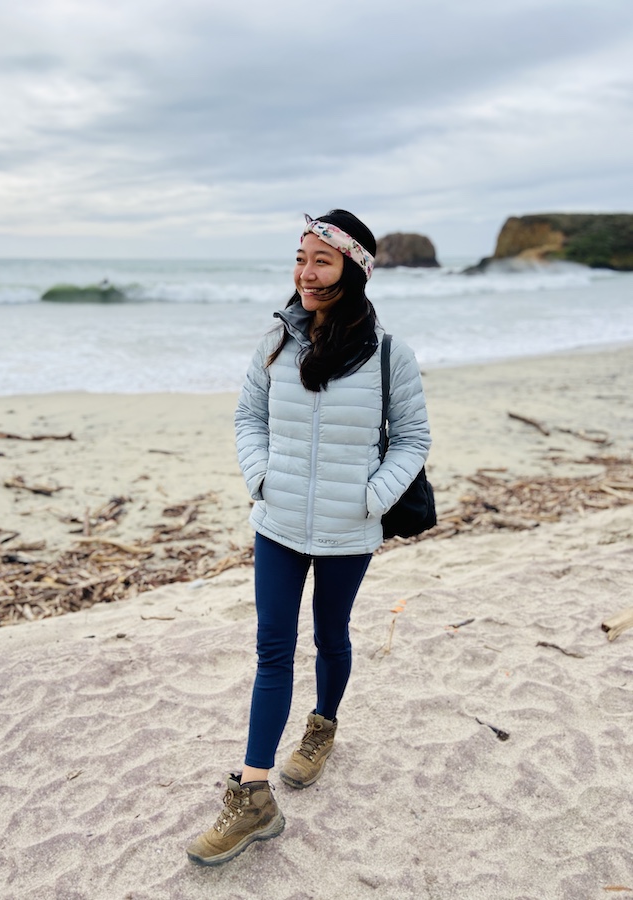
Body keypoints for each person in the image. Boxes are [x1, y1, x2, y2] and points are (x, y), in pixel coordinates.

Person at [186, 209, 431, 867]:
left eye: (320, 261)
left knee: (330, 636)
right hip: (279, 522)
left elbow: (412, 438)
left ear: (351, 270)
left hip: (349, 530)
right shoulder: (275, 341)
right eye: (300, 258)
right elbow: (247, 417)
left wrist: (371, 497)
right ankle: (254, 795)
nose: (305, 273)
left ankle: (321, 727)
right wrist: (260, 476)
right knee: (271, 650)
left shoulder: (388, 354)